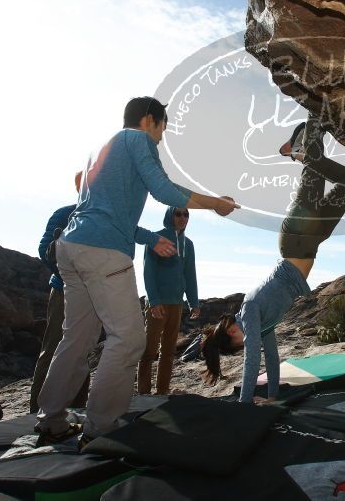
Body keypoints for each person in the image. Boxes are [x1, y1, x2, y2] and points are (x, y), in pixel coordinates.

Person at [35, 96, 238, 446]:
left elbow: (103, 209)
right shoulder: (137, 139)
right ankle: (100, 427)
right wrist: (216, 203)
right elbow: (164, 190)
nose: (161, 137)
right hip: (103, 252)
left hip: (73, 247)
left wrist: (149, 239)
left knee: (77, 338)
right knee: (129, 339)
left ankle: (51, 419)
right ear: (150, 120)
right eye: (163, 128)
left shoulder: (100, 147)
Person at [201, 112, 345, 403]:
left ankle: (314, 114)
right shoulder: (263, 324)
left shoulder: (248, 312)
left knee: (316, 168)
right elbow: (272, 360)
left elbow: (252, 364)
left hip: (297, 236)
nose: (245, 345)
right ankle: (308, 140)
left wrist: (244, 406)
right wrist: (272, 398)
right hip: (310, 240)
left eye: (238, 344)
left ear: (232, 332)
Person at [30, 172, 89, 414]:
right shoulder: (64, 214)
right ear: (79, 187)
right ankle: (37, 411)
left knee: (83, 351)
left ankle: (78, 408)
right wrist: (70, 272)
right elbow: (45, 249)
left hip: (92, 295)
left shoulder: (103, 218)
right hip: (63, 291)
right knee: (53, 348)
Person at [137, 206, 200, 395]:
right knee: (149, 351)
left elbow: (190, 274)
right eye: (178, 214)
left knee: (168, 351)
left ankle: (162, 391)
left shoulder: (188, 244)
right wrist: (154, 301)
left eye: (186, 214)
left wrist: (194, 302)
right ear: (169, 215)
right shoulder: (156, 238)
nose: (183, 218)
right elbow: (148, 271)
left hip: (177, 303)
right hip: (158, 303)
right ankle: (144, 393)